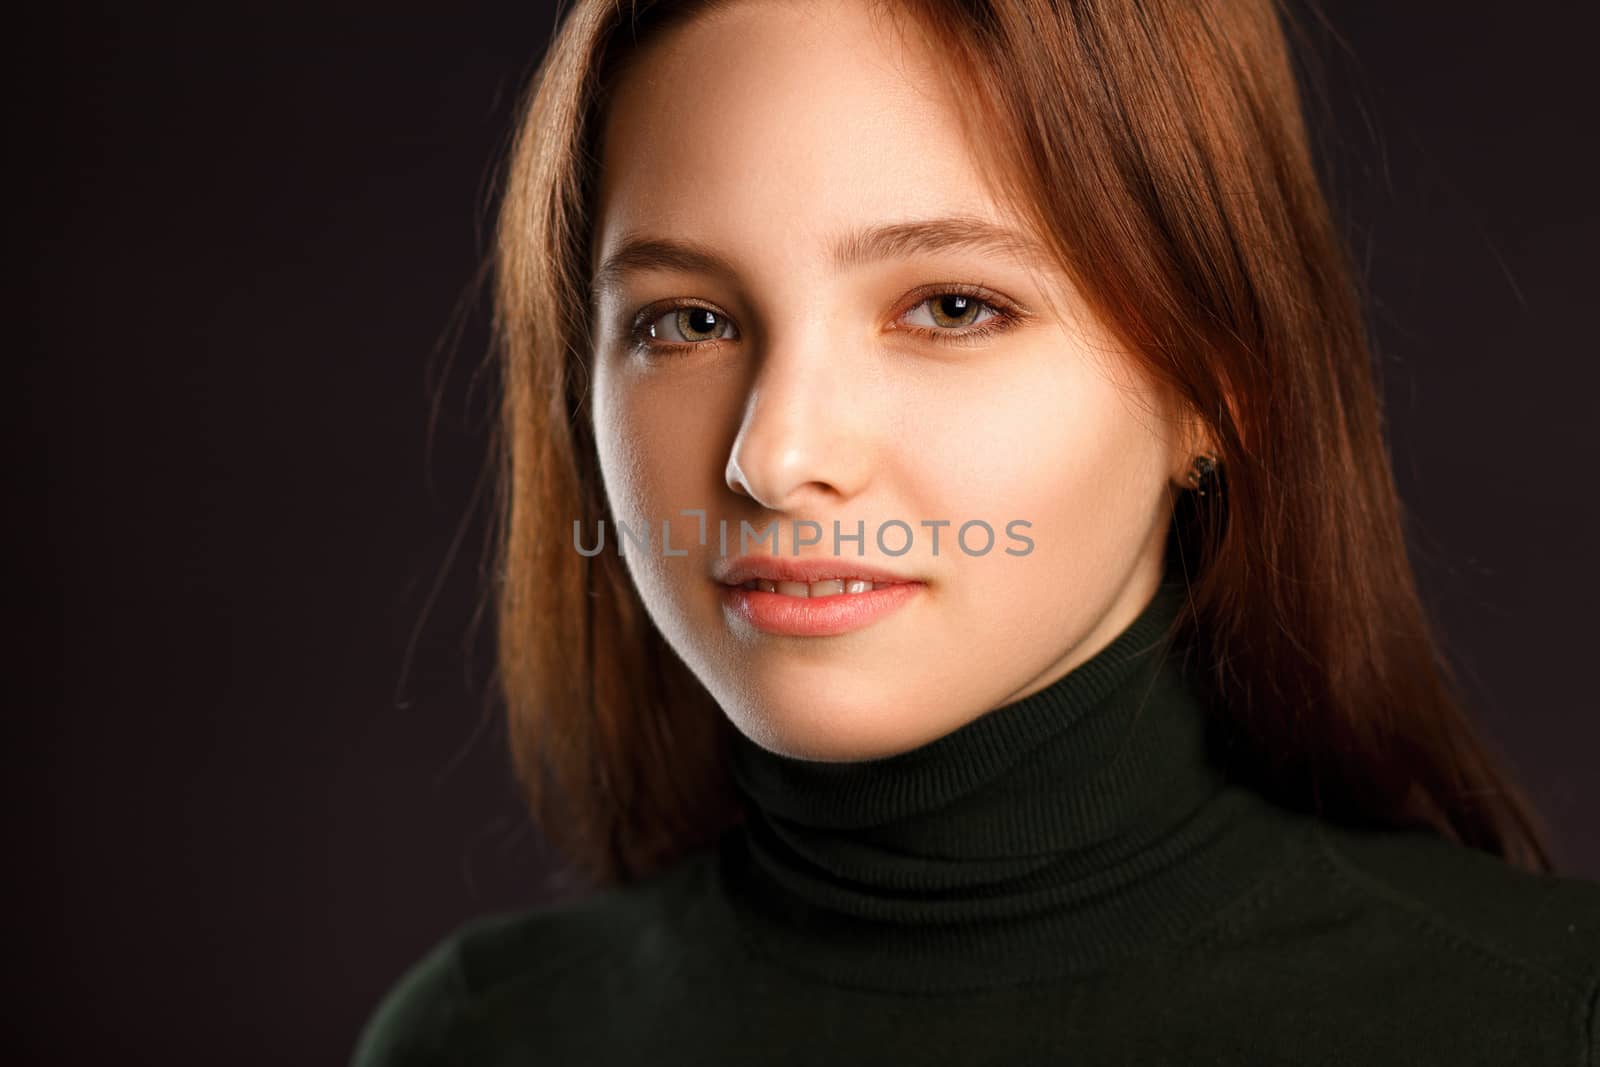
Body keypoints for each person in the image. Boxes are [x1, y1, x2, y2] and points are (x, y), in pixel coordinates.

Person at [353, 0, 1600, 1062]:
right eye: (684, 322)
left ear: (1216, 388)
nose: (776, 458)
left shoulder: (1541, 1021)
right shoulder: (485, 1036)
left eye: (951, 305)